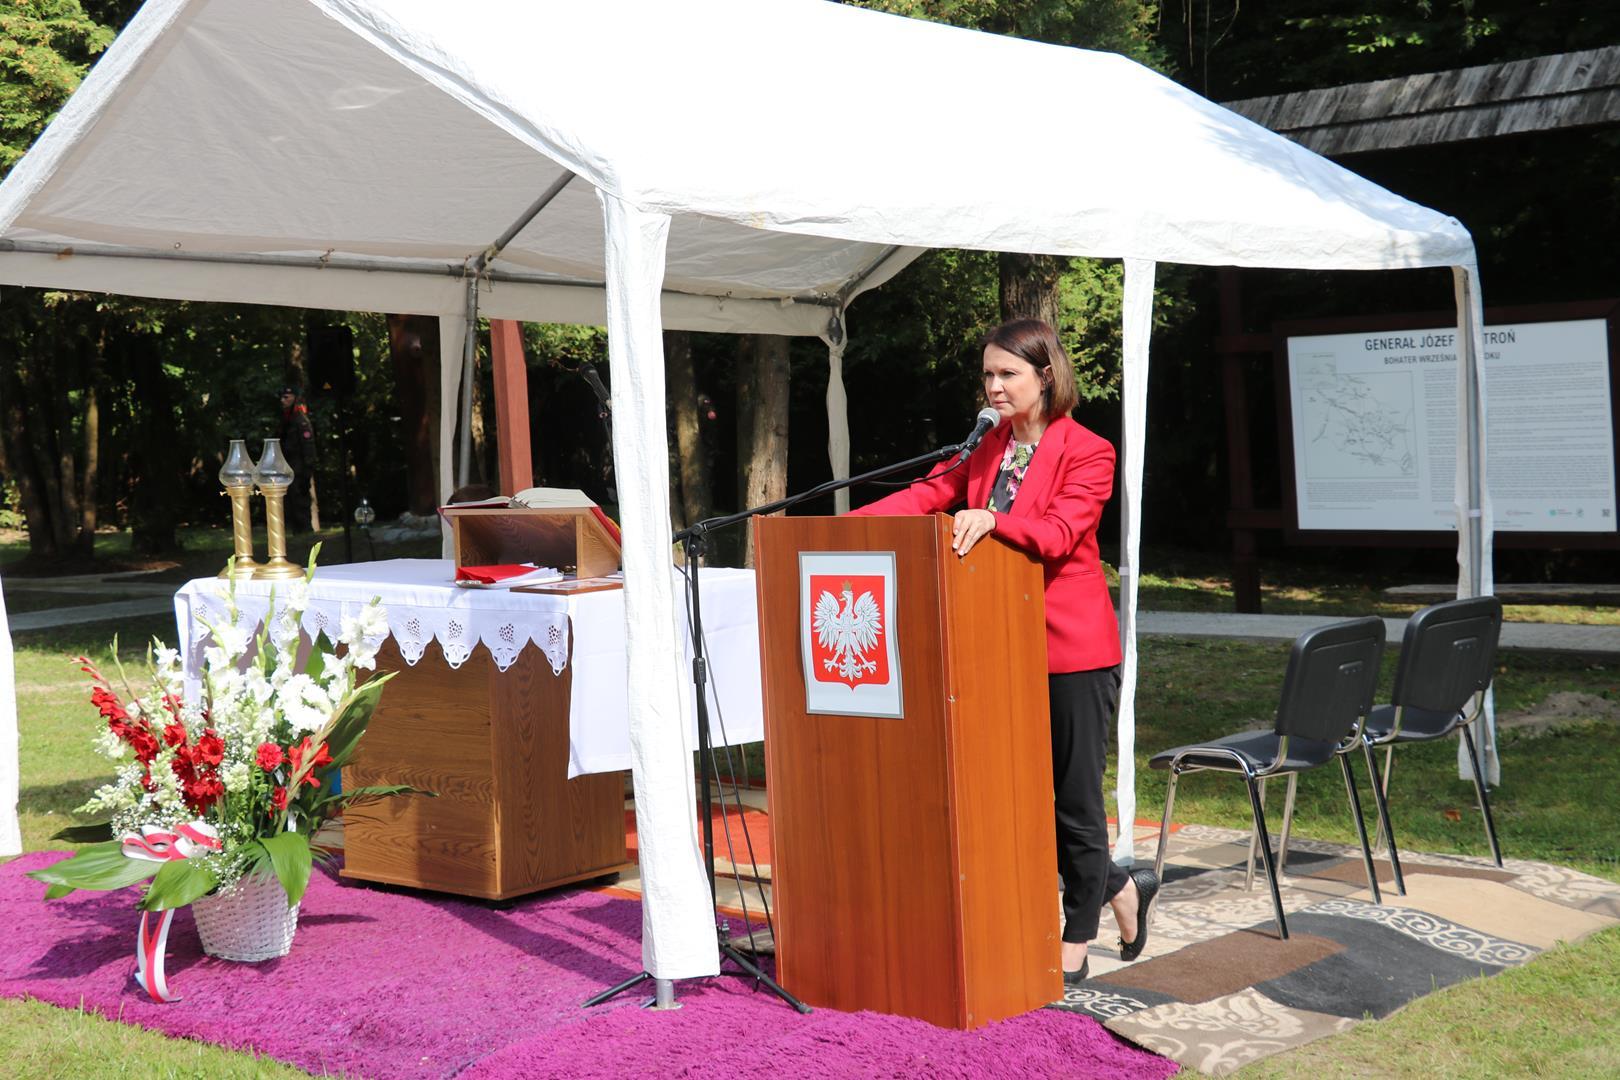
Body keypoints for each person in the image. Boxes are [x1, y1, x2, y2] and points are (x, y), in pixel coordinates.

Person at [848, 318, 1158, 984]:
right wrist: (843, 528)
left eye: (1008, 374)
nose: (994, 386)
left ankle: (1077, 934)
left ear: (1045, 376)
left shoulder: (1089, 450)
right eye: (988, 374)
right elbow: (929, 493)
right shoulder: (987, 445)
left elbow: (1060, 533)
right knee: (1017, 792)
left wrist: (994, 518)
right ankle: (1119, 885)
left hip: (1071, 650)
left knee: (1073, 799)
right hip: (997, 644)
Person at [277, 385, 316, 532]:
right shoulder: (286, 419)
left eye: (286, 397)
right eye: (282, 397)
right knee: (291, 503)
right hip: (289, 468)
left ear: (294, 398)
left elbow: (308, 446)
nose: (283, 400)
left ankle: (305, 531)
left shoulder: (301, 421)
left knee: (300, 501)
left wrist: (307, 470)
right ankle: (297, 531)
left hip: (299, 469)